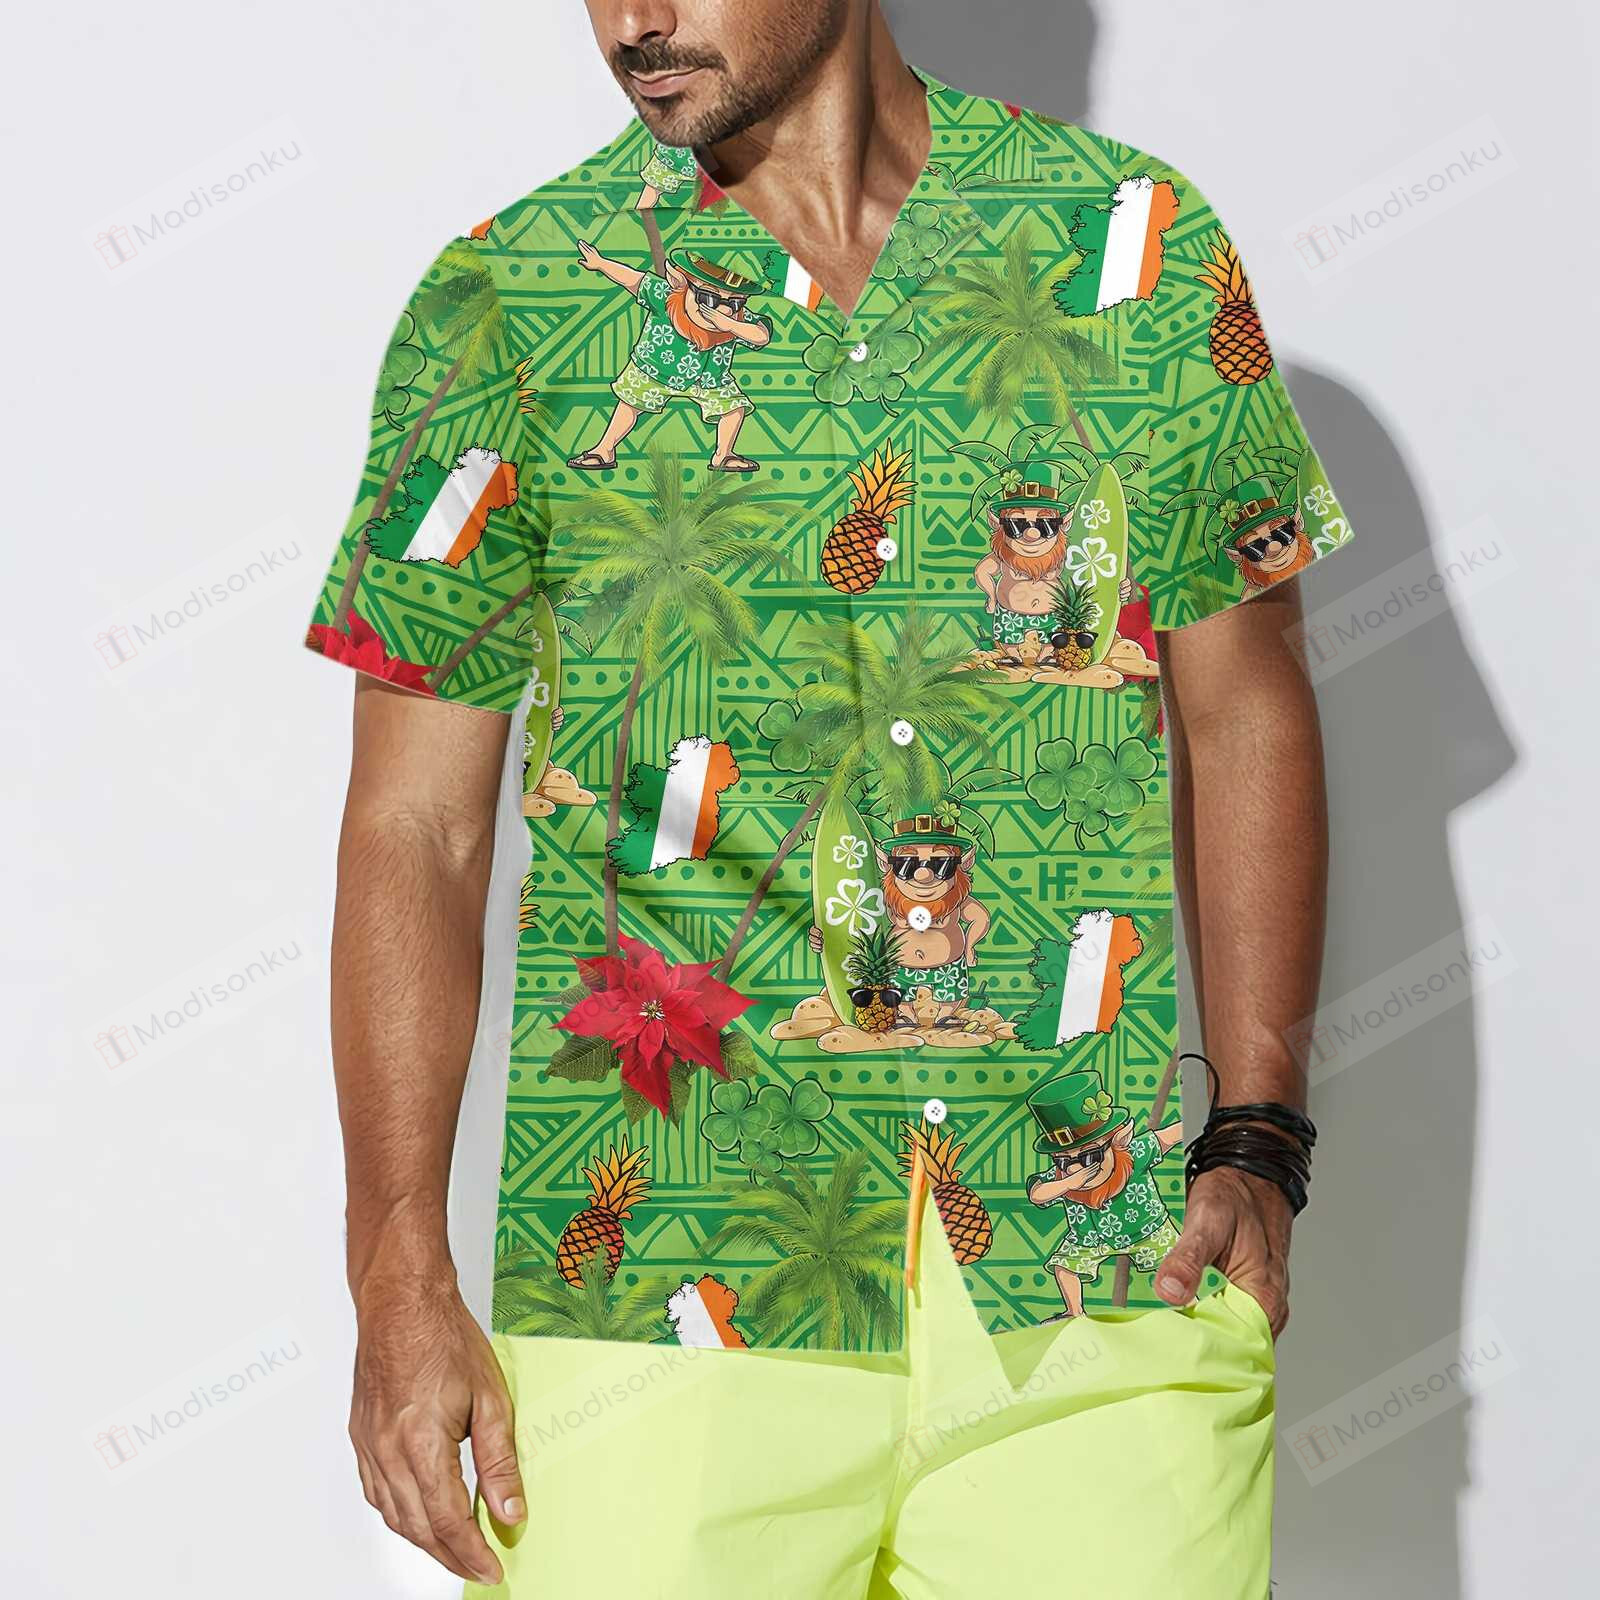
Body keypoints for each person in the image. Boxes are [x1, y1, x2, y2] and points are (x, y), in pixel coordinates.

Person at [304, 2, 1350, 1593]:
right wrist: (396, 1276)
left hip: (1096, 1274)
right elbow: (416, 826)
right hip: (661, 1296)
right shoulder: (509, 303)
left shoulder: (1134, 244)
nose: (636, 20)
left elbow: (1247, 698)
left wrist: (1260, 1133)